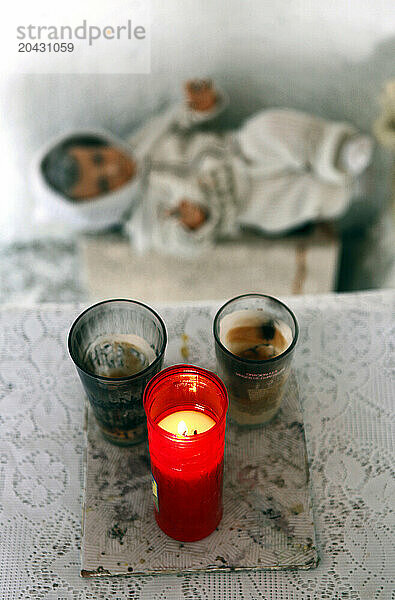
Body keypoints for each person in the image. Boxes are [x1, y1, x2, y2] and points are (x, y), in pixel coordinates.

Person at [126, 79, 374, 256]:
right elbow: (180, 244)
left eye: (98, 158)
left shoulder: (141, 144)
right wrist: (193, 224)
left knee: (268, 128)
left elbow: (175, 121)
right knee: (293, 204)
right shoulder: (143, 222)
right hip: (240, 204)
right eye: (103, 184)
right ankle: (345, 191)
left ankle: (337, 152)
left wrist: (198, 106)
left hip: (237, 152)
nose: (109, 170)